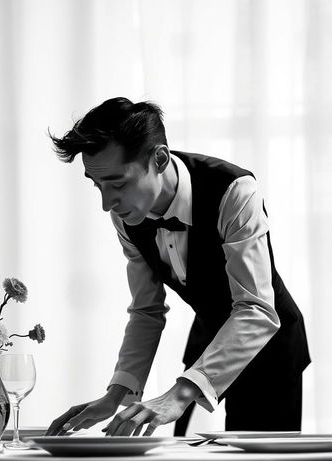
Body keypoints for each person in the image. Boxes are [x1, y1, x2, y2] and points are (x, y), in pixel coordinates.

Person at [46, 97, 310, 437]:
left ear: (159, 159)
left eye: (118, 183)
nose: (106, 203)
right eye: (98, 186)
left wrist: (181, 393)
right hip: (205, 340)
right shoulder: (126, 215)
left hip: (270, 347)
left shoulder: (235, 192)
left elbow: (256, 308)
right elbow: (146, 310)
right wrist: (115, 396)